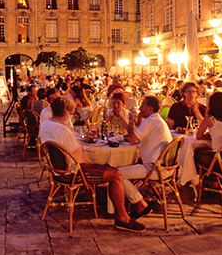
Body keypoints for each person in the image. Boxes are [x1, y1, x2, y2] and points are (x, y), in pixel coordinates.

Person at [40, 97, 145, 232]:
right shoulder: (63, 131)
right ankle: (123, 218)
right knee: (116, 174)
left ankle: (131, 206)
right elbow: (81, 160)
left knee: (111, 170)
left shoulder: (46, 125)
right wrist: (100, 164)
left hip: (57, 171)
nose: (71, 117)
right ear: (65, 112)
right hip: (72, 173)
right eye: (71, 114)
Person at [116, 96, 172, 219]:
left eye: (143, 106)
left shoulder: (151, 121)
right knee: (125, 169)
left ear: (150, 108)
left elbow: (132, 139)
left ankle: (140, 204)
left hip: (155, 169)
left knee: (117, 174)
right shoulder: (157, 119)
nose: (140, 108)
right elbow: (138, 135)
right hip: (165, 168)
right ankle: (133, 201)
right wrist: (137, 119)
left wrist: (129, 120)